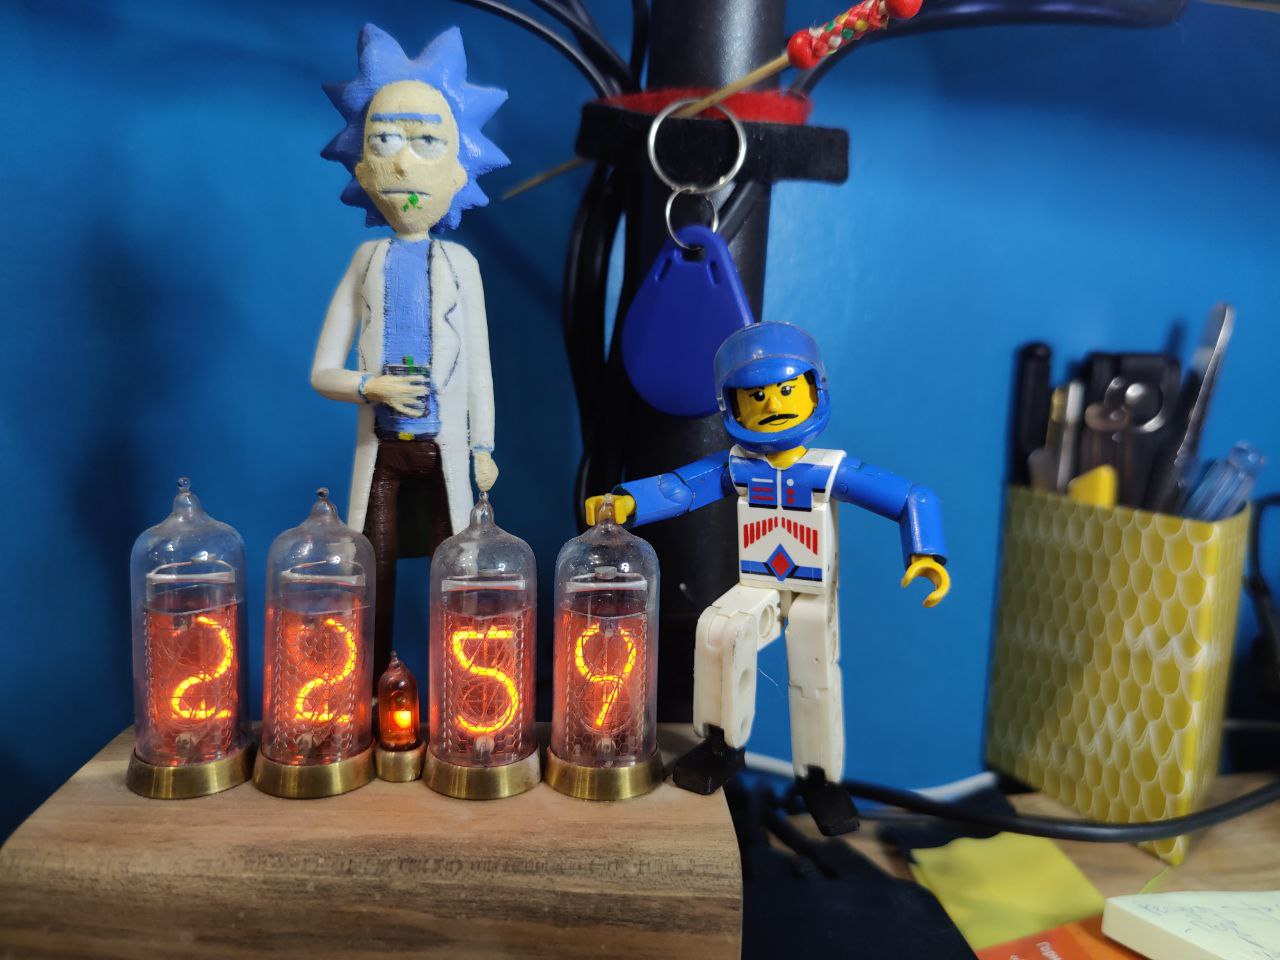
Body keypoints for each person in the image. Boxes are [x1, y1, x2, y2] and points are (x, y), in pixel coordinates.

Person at [585, 321, 951, 835]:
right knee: (718, 631)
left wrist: (925, 552)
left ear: (814, 389)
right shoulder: (737, 467)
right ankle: (722, 746)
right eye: (757, 395)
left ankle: (820, 776)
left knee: (814, 670)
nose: (773, 403)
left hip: (812, 589)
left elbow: (912, 497)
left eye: (785, 390)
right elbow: (680, 487)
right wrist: (627, 502)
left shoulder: (829, 470)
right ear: (733, 405)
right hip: (759, 583)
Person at [312, 25, 508, 680]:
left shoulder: (461, 266)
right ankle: (368, 687)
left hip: (446, 449)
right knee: (372, 575)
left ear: (460, 169)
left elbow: (479, 368)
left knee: (462, 579)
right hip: (382, 454)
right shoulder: (365, 262)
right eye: (384, 142)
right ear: (360, 167)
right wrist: (370, 387)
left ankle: (468, 692)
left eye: (426, 142)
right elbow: (322, 372)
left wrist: (483, 447)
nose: (401, 166)